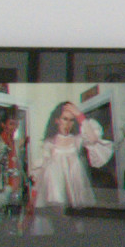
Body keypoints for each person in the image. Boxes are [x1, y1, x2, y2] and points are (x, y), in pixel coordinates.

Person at [35, 99, 119, 233]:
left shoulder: (77, 139)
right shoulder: (50, 143)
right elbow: (42, 172)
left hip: (76, 187)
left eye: (71, 120)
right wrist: (33, 197)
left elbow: (93, 139)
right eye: (65, 119)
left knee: (77, 225)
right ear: (57, 120)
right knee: (60, 225)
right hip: (56, 191)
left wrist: (80, 116)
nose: (68, 124)